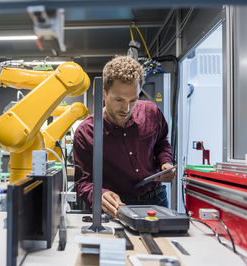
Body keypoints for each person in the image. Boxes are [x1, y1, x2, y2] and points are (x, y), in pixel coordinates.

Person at [73, 56, 175, 218]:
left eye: (133, 100)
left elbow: (162, 143)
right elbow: (82, 183)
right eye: (119, 100)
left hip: (156, 199)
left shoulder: (152, 113)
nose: (126, 109)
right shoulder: (85, 133)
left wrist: (166, 162)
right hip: (117, 205)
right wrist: (99, 195)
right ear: (104, 93)